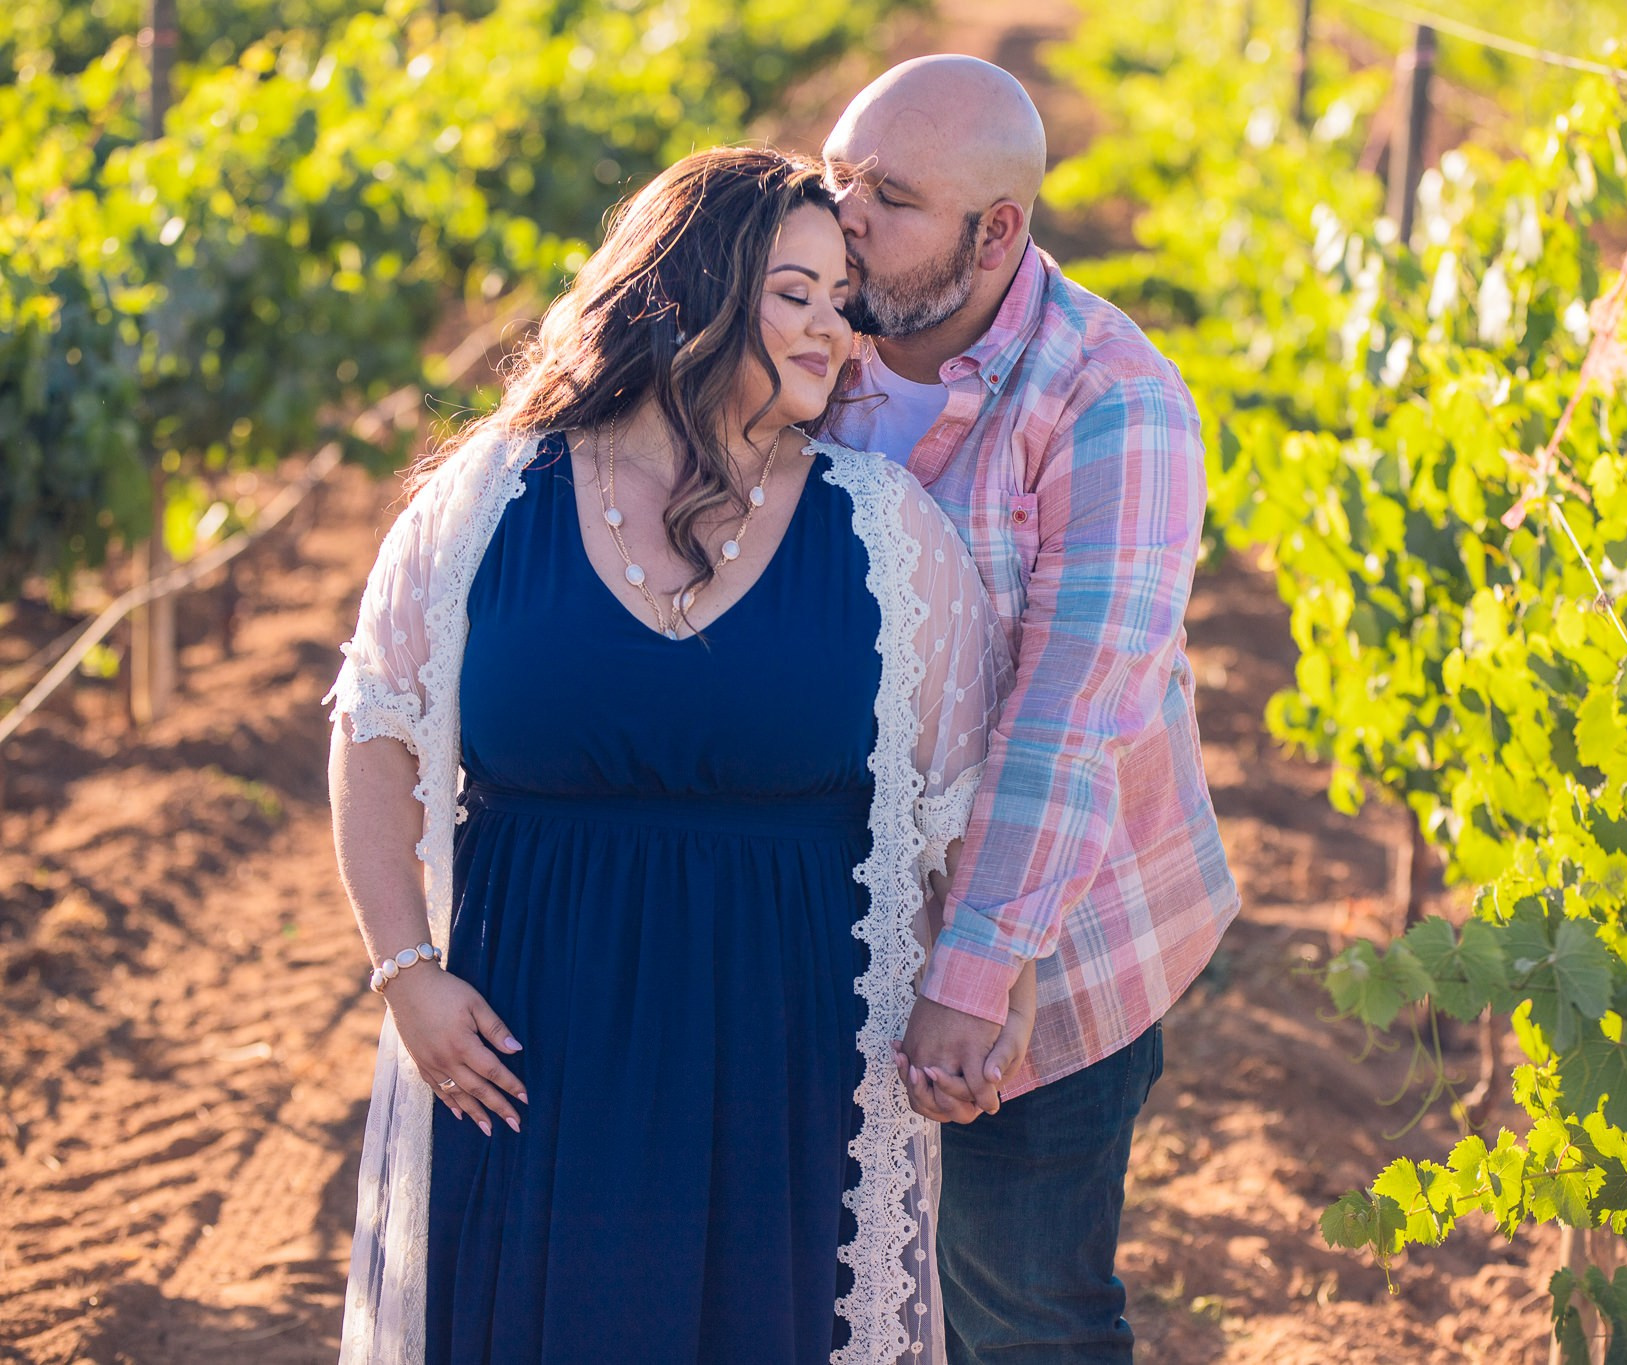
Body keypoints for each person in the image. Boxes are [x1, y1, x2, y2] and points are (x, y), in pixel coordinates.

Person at [324, 146, 1030, 1365]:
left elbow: (958, 809)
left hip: (786, 1068)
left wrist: (984, 997)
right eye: (795, 294)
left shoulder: (887, 533)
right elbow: (373, 733)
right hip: (530, 1056)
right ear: (688, 291)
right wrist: (405, 973)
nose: (835, 333)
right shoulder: (490, 495)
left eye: (841, 302)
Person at [824, 56, 1240, 1364]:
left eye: (888, 197)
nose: (844, 219)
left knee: (1018, 1309)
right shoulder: (801, 332)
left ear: (997, 231)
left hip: (1047, 931)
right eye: (836, 177)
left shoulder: (1110, 400)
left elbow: (1070, 713)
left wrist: (977, 966)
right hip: (835, 899)